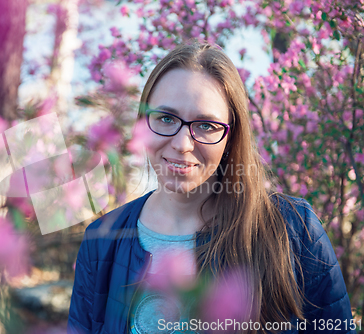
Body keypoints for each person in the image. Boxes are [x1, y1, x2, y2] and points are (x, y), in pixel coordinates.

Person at [67, 43, 355, 334]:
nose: (182, 144)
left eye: (206, 125)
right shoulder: (100, 241)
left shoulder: (293, 230)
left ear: (231, 137)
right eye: (166, 118)